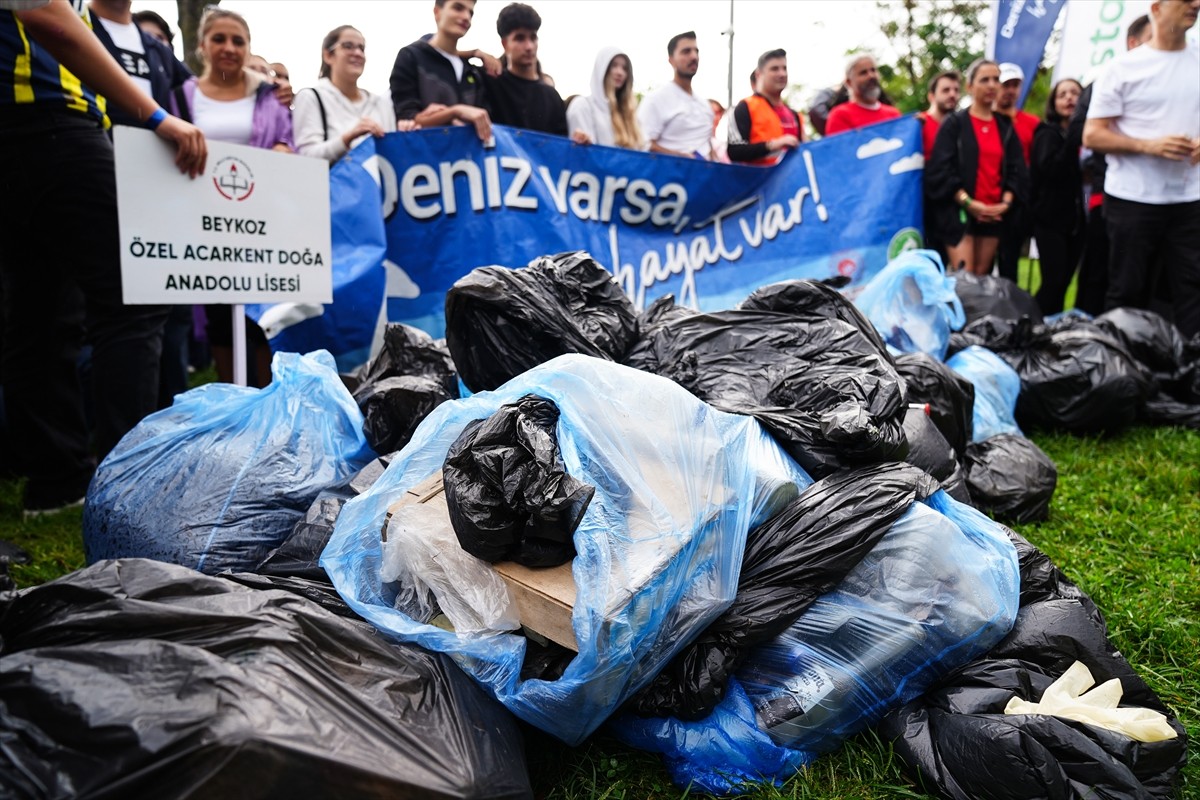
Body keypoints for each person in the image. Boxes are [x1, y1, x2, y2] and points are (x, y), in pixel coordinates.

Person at [1, 0, 206, 515]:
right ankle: (131, 484)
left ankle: (57, 482)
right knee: (135, 293)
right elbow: (46, 14)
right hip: (51, 124)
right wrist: (158, 116)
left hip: (28, 134)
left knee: (41, 312)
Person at [168, 7, 293, 388]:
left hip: (261, 223)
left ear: (248, 46)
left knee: (262, 317)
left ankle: (264, 401)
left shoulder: (268, 98)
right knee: (219, 315)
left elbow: (287, 140)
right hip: (204, 223)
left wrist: (281, 153)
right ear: (202, 45)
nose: (229, 48)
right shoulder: (181, 96)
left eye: (238, 40)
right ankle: (229, 398)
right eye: (219, 39)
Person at [1084, 0, 1200, 338]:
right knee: (1127, 289)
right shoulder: (1122, 67)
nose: (1195, 4)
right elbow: (1092, 134)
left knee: (1192, 289)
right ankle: (1123, 373)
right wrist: (1148, 145)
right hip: (1133, 199)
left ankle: (1192, 376)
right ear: (1158, 7)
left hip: (1190, 200)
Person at [1069, 14, 1153, 316]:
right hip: (1112, 195)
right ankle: (1094, 338)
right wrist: (1134, 138)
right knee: (1102, 270)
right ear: (1133, 43)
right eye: (1153, 40)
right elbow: (1080, 131)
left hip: (1169, 202)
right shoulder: (1108, 80)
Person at [925, 59, 1027, 275]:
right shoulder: (954, 124)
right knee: (965, 278)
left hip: (994, 215)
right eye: (984, 80)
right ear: (970, 87)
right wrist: (968, 202)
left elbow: (1017, 169)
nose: (992, 85)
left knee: (981, 279)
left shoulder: (1005, 127)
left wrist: (1006, 203)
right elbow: (941, 169)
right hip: (960, 214)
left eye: (996, 80)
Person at [294, 25, 412, 163]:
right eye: (347, 46)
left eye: (361, 48)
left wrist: (406, 137)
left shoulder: (382, 104)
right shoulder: (311, 97)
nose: (357, 53)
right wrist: (348, 138)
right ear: (328, 55)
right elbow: (307, 157)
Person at [390, 0, 493, 142]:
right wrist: (454, 112)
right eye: (458, 8)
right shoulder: (411, 57)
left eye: (470, 12)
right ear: (437, 12)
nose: (466, 17)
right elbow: (406, 121)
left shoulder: (472, 71)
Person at [1030, 78, 1085, 316]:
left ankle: (1054, 330)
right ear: (1054, 102)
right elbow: (1051, 170)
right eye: (1062, 94)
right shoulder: (1047, 134)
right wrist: (1073, 137)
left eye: (1075, 93)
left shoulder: (1088, 135)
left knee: (1064, 282)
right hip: (1050, 221)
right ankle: (1033, 324)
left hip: (1076, 221)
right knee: (1053, 281)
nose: (1069, 98)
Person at [485, 3, 566, 135]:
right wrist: (474, 53)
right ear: (505, 44)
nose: (529, 46)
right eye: (520, 38)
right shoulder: (491, 84)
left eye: (533, 38)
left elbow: (561, 146)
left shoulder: (552, 97)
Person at [994, 62, 1041, 283]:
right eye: (1006, 85)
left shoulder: (1032, 124)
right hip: (988, 199)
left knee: (1010, 262)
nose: (1010, 91)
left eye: (1015, 85)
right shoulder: (983, 120)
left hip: (1019, 203)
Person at [637, 30, 713, 158]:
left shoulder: (705, 106)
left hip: (702, 176)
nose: (694, 57)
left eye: (696, 51)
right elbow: (642, 144)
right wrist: (680, 158)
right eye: (686, 51)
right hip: (667, 176)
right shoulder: (656, 100)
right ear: (671, 60)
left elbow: (707, 147)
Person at [727, 48, 802, 166]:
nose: (782, 74)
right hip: (757, 181)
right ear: (758, 74)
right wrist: (772, 145)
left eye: (784, 68)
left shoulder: (794, 114)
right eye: (774, 69)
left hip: (792, 182)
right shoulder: (745, 107)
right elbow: (734, 151)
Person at [566, 46, 642, 148]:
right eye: (614, 66)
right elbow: (583, 155)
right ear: (601, 68)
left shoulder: (631, 114)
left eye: (624, 68)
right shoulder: (582, 106)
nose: (620, 73)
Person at [824, 53, 901, 135]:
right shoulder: (840, 116)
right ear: (849, 82)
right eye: (863, 73)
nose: (871, 76)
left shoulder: (893, 114)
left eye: (873, 70)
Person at [917, 71, 960, 159]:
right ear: (931, 96)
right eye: (946, 90)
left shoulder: (962, 126)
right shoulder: (919, 124)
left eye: (956, 90)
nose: (952, 94)